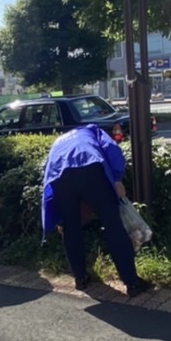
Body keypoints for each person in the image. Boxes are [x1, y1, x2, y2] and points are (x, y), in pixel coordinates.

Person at [42, 123, 152, 298]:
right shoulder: (93, 131)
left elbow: (48, 172)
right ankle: (132, 283)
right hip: (91, 170)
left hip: (60, 178)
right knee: (113, 224)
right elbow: (112, 149)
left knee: (70, 228)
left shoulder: (59, 141)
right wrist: (117, 179)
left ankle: (80, 279)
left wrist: (57, 216)